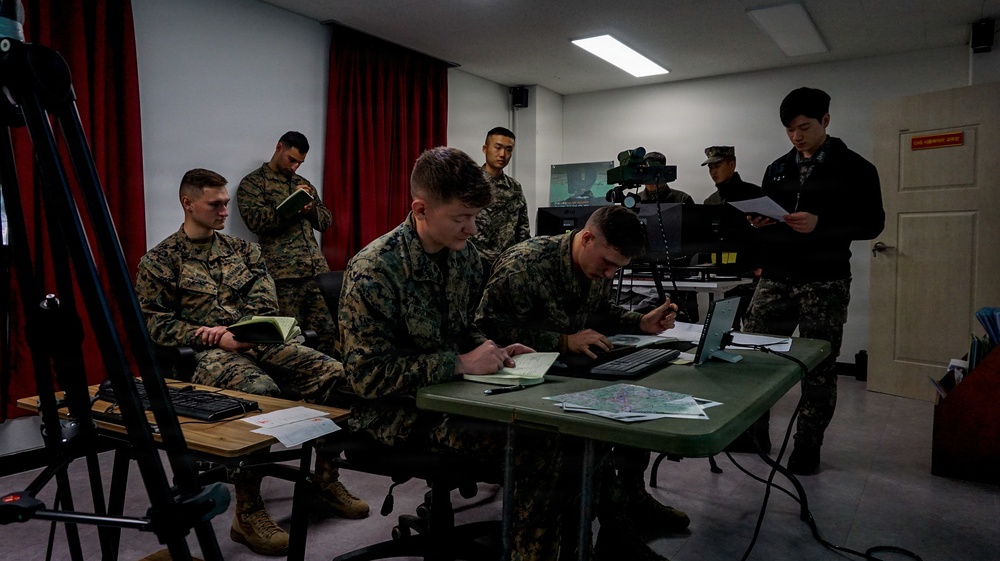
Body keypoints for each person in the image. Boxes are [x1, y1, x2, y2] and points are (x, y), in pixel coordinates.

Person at [339, 146, 569, 561]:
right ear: (421, 209)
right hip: (393, 412)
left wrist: (491, 349)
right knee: (537, 447)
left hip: (450, 394)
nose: (472, 229)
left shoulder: (462, 259)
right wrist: (461, 363)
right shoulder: (375, 269)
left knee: (565, 427)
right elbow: (364, 377)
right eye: (461, 218)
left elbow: (460, 328)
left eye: (475, 217)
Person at [134, 168, 369, 557]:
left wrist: (247, 330)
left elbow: (265, 303)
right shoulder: (160, 261)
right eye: (215, 203)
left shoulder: (245, 251)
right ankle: (248, 511)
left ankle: (325, 480)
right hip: (203, 356)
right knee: (259, 392)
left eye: (226, 202)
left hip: (253, 341)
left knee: (336, 375)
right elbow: (153, 322)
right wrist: (206, 334)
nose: (225, 210)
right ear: (187, 203)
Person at [476, 205, 688, 560]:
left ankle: (628, 510)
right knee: (587, 437)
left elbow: (601, 313)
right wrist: (561, 341)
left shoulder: (594, 268)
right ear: (586, 238)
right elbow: (485, 329)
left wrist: (640, 323)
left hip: (566, 373)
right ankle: (610, 534)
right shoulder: (525, 265)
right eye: (607, 263)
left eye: (617, 269)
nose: (608, 274)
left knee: (632, 402)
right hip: (520, 381)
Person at [745, 87, 884, 475]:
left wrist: (823, 225)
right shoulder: (777, 168)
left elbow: (874, 224)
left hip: (824, 280)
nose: (796, 137)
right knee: (754, 357)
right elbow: (770, 215)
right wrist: (760, 221)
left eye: (804, 127)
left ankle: (807, 445)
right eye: (789, 130)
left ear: (825, 120)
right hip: (776, 275)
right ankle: (754, 433)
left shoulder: (856, 167)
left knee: (818, 367)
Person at [237, 131, 337, 356]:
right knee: (288, 337)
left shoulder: (303, 184)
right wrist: (291, 205)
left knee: (327, 333)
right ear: (279, 147)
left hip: (315, 272)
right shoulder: (254, 183)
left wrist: (309, 208)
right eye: (291, 160)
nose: (294, 168)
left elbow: (325, 221)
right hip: (283, 275)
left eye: (299, 163)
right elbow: (256, 222)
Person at [469, 126, 531, 265]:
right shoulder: (469, 183)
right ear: (485, 149)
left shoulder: (515, 188)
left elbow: (523, 229)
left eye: (508, 150)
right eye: (498, 147)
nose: (503, 154)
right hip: (475, 263)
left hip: (508, 264)